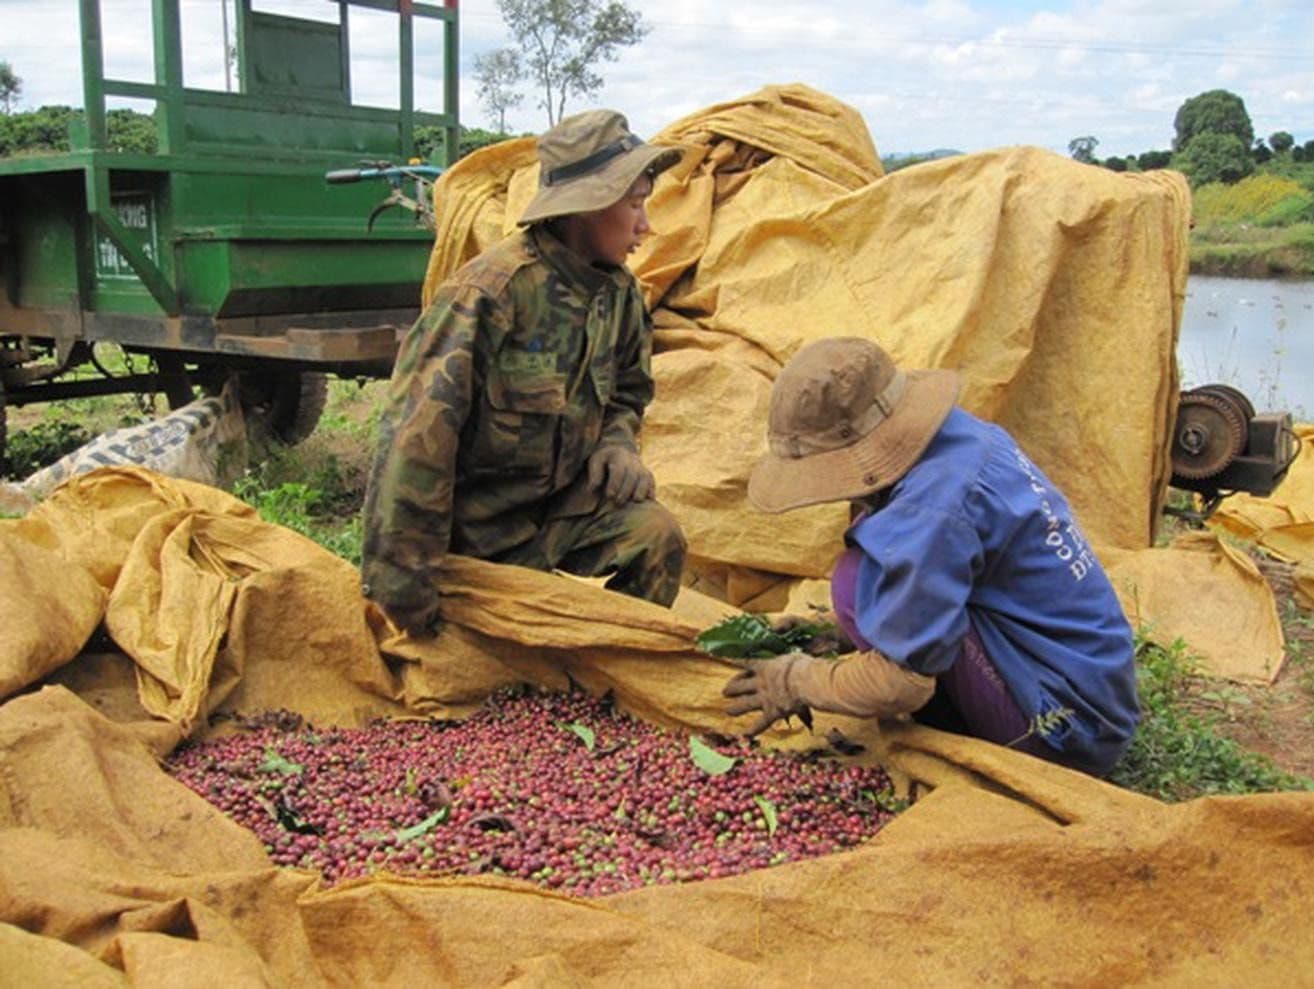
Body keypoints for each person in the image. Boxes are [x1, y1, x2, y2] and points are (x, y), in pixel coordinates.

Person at [723, 337, 1140, 777]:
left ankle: (997, 739)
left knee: (854, 580)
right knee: (864, 586)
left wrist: (795, 680)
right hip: (1094, 691)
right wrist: (834, 634)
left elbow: (902, 686)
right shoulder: (963, 438)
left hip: (1064, 728)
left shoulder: (932, 510)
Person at [361, 109, 687, 638]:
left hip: (554, 519)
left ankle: (609, 674)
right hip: (474, 539)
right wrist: (405, 595)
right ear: (590, 205)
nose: (646, 226)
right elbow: (414, 447)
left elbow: (629, 390)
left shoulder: (619, 294)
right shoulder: (489, 295)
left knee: (656, 536)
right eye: (635, 205)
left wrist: (617, 445)